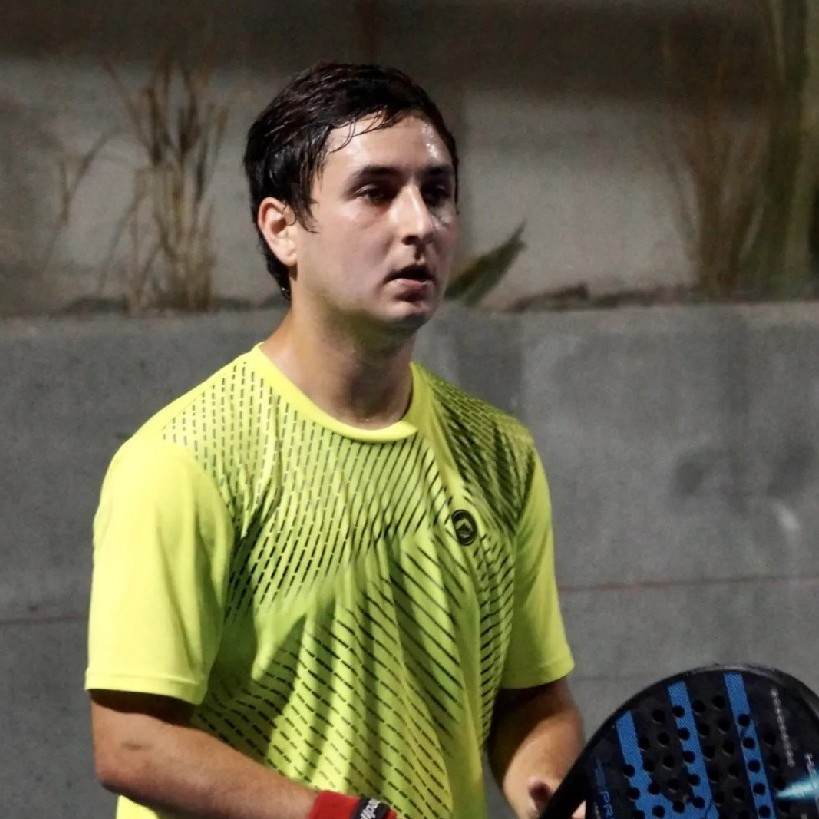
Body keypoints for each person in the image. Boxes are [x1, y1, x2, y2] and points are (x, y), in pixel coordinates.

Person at [86, 62, 583, 819]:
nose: (418, 224)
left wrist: (552, 787)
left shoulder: (498, 454)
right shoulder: (183, 460)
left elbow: (529, 698)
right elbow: (133, 741)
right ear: (281, 228)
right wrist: (336, 816)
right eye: (375, 192)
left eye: (437, 192)